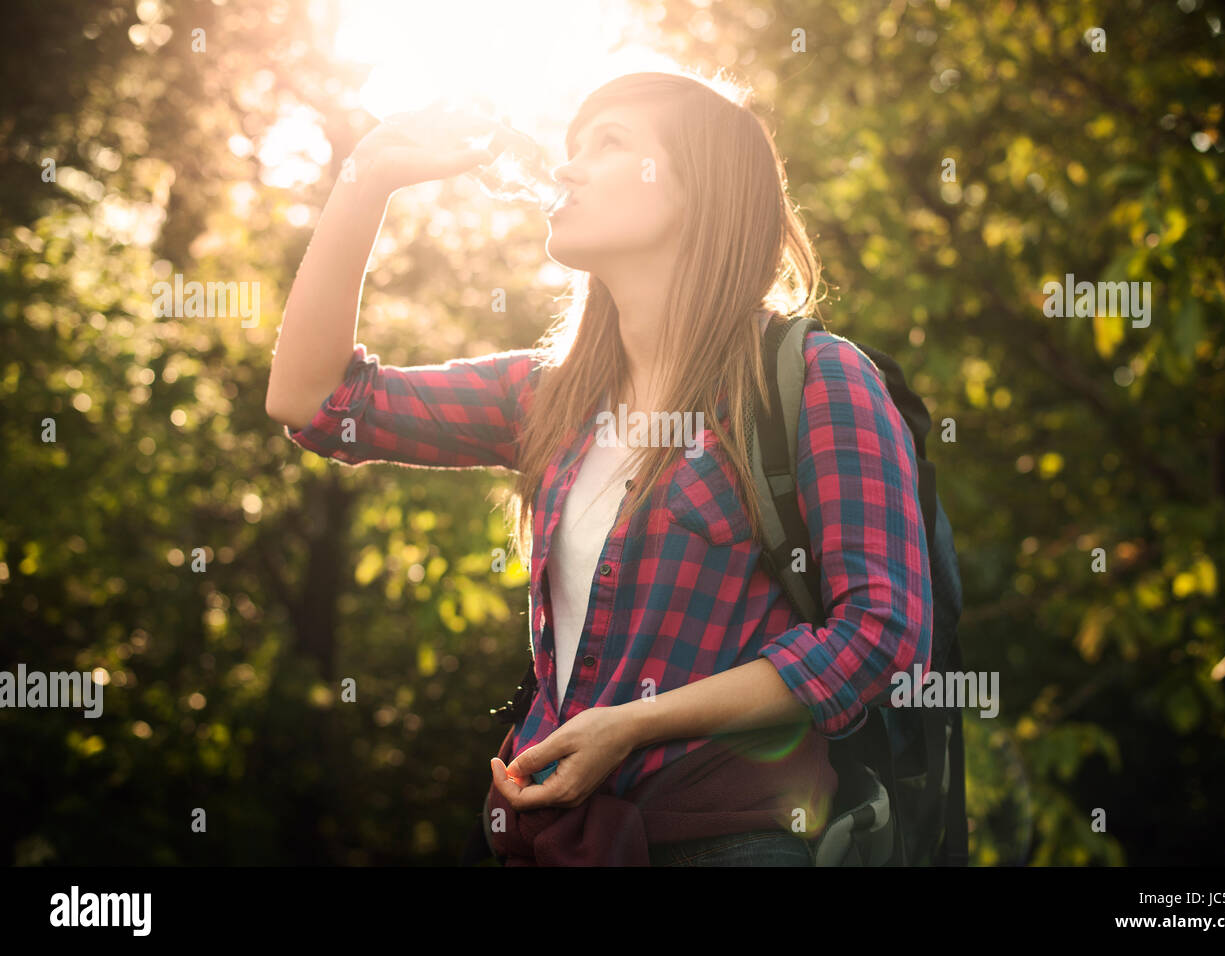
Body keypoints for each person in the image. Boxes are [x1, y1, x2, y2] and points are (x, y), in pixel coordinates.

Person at [266, 67, 933, 866]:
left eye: (608, 144)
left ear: (697, 190)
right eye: (572, 146)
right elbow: (315, 402)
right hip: (548, 843)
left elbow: (881, 636)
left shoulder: (818, 380)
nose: (565, 167)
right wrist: (367, 174)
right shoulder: (550, 396)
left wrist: (635, 724)